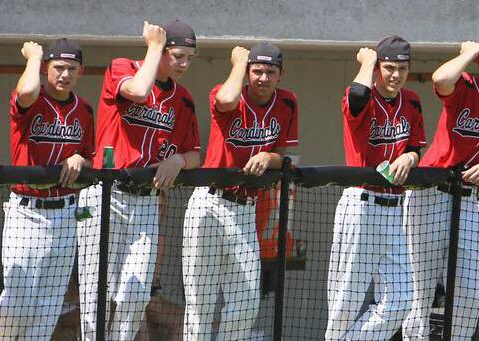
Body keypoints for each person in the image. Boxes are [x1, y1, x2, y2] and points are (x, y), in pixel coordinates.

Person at [78, 20, 201, 340]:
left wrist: (178, 160)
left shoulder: (183, 99)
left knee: (135, 295)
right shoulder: (121, 67)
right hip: (106, 194)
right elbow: (138, 91)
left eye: (189, 58)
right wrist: (155, 46)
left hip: (147, 201)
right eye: (178, 56)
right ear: (161, 50)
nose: (184, 64)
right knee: (96, 296)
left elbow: (196, 154)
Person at [402, 34, 479, 340]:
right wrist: (468, 54)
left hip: (469, 198)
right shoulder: (466, 86)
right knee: (420, 289)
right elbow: (441, 79)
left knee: (473, 290)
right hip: (431, 194)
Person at [182, 41, 298, 340]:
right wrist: (238, 63)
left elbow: (283, 156)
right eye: (256, 70)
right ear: (247, 72)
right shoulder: (226, 92)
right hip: (210, 202)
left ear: (281, 74)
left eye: (270, 71)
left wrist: (267, 157)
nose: (263, 77)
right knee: (201, 301)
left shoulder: (287, 102)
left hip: (246, 208)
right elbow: (226, 99)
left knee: (246, 302)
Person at [0, 38, 94, 339]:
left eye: (72, 68)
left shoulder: (84, 110)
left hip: (66, 213)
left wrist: (80, 159)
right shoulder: (32, 99)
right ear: (46, 68)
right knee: (17, 299)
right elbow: (26, 92)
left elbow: (91, 156)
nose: (65, 74)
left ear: (81, 71)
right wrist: (33, 57)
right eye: (58, 67)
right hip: (27, 211)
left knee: (49, 305)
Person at [326, 35, 425, 341]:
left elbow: (415, 147)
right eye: (389, 67)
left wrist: (410, 156)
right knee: (346, 299)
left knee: (402, 299)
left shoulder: (412, 100)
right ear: (378, 67)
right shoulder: (364, 95)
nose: (396, 74)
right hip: (362, 203)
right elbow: (356, 96)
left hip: (396, 209)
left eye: (402, 68)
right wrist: (367, 61)